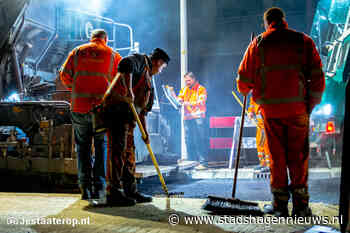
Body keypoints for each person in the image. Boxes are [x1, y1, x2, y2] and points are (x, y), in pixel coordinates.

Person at [236, 7, 325, 217]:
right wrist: (309, 105)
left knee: (277, 158)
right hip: (298, 112)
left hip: (271, 113)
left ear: (266, 23)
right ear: (283, 20)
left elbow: (243, 83)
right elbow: (318, 80)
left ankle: (279, 206)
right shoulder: (303, 41)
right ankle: (301, 207)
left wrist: (251, 88)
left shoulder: (258, 44)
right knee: (299, 158)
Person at [60, 29, 122, 204]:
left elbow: (64, 75)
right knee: (101, 146)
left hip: (79, 107)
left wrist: (76, 89)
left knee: (83, 148)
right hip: (101, 110)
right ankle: (100, 187)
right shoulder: (113, 55)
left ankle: (85, 189)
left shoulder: (78, 52)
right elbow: (120, 81)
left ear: (91, 38)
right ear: (106, 39)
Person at [102, 48, 170, 206]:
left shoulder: (149, 81)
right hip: (117, 113)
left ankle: (130, 191)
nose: (160, 71)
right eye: (162, 67)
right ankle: (113, 192)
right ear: (158, 62)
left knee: (129, 155)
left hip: (129, 121)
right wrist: (128, 91)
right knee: (118, 153)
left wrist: (144, 132)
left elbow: (142, 111)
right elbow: (125, 64)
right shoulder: (140, 61)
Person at [171, 72, 208, 169]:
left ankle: (202, 162)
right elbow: (179, 100)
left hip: (198, 117)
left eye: (188, 80)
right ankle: (192, 161)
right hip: (187, 118)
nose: (186, 82)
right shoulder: (184, 89)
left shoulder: (201, 89)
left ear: (194, 79)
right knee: (189, 140)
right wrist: (173, 95)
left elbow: (201, 102)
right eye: (185, 81)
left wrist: (186, 103)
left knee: (199, 139)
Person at [247, 97, 270, 173]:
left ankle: (269, 165)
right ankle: (263, 163)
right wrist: (250, 112)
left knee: (265, 143)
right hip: (260, 123)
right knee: (259, 142)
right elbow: (252, 104)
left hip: (266, 121)